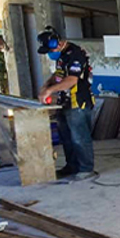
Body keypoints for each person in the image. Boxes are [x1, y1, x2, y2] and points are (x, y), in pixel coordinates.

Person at [36, 27, 96, 180]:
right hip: (65, 102)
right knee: (66, 137)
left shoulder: (75, 54)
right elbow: (59, 75)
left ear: (58, 42)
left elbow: (71, 80)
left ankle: (86, 168)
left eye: (51, 49)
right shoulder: (62, 57)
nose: (51, 53)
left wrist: (50, 91)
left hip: (78, 102)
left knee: (79, 137)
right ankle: (72, 166)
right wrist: (46, 85)